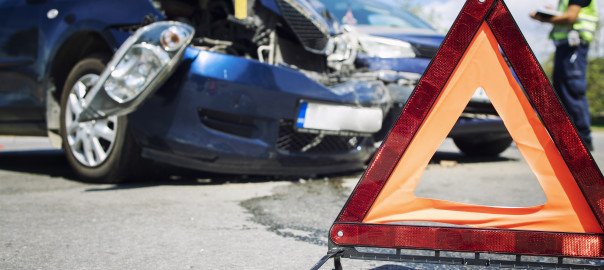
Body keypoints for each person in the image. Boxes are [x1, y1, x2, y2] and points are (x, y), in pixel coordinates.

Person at [530, 0, 599, 151]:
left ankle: (582, 140)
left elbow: (570, 17)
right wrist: (553, 13)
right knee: (561, 90)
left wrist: (544, 18)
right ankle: (569, 139)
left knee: (572, 89)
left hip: (574, 47)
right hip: (565, 47)